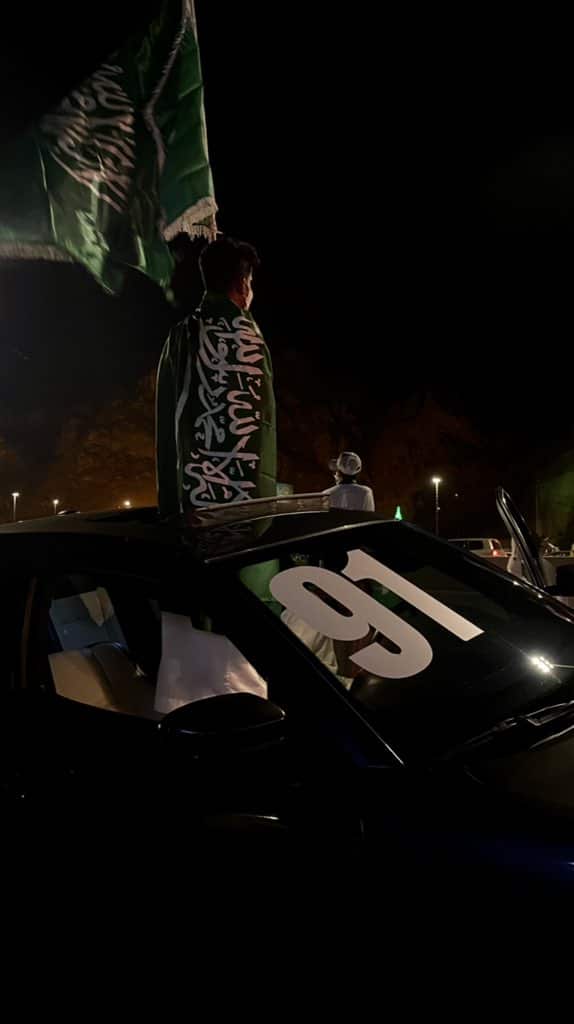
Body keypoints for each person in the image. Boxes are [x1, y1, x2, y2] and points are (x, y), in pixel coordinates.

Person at [156, 236, 276, 517]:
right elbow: (263, 429)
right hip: (246, 514)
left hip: (193, 510)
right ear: (242, 284)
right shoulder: (252, 340)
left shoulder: (182, 336)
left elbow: (167, 426)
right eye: (250, 282)